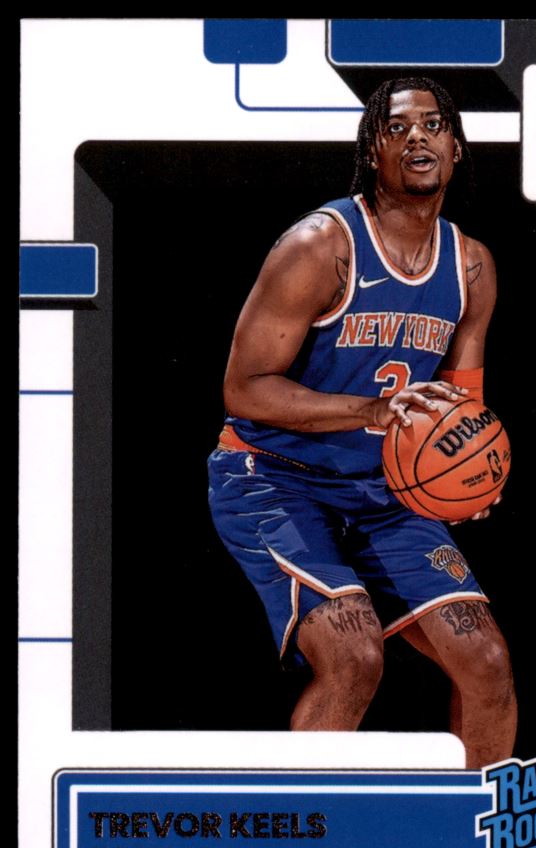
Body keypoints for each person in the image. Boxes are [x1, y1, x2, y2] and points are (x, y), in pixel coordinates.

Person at [208, 77, 516, 768]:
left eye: (434, 125)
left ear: (457, 148)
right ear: (372, 151)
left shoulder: (471, 266)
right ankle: (302, 825)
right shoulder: (321, 245)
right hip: (273, 477)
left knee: (487, 662)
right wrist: (370, 411)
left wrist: (474, 475)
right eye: (396, 128)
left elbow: (461, 404)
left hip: (383, 492)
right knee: (354, 655)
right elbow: (243, 389)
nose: (417, 137)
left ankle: (478, 831)